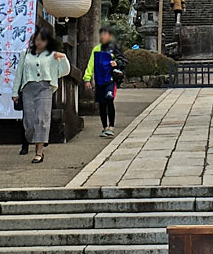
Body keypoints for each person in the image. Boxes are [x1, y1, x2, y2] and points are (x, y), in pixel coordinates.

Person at [12, 24, 70, 165]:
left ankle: (39, 152)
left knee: (42, 119)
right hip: (28, 89)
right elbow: (19, 73)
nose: (39, 42)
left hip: (45, 88)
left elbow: (64, 71)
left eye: (42, 40)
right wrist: (15, 92)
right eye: (37, 39)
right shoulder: (25, 54)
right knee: (30, 122)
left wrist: (62, 58)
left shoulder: (51, 55)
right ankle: (36, 139)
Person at [84, 26, 127, 138]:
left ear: (110, 36)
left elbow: (123, 61)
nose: (103, 36)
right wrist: (87, 79)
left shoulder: (114, 48)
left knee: (109, 100)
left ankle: (111, 127)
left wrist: (116, 63)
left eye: (105, 34)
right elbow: (91, 64)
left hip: (110, 80)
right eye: (101, 34)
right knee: (101, 104)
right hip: (99, 81)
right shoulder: (96, 49)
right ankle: (104, 127)